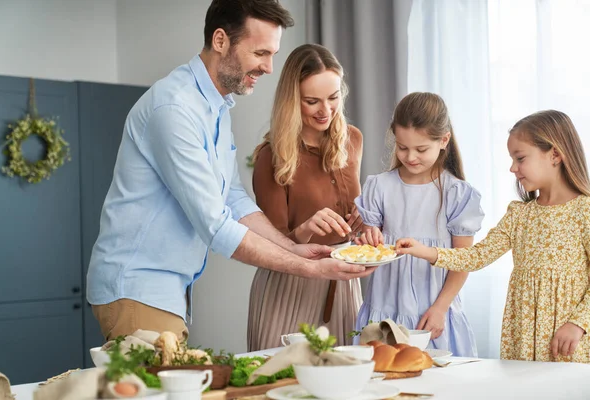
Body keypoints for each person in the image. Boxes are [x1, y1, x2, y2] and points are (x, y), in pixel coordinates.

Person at [86, 0, 375, 342]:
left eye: (272, 55)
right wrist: (308, 267)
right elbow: (215, 225)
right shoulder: (175, 109)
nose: (269, 67)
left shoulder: (216, 107)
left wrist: (290, 248)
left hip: (165, 290)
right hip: (137, 287)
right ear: (221, 40)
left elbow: (234, 199)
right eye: (260, 53)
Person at [395, 110, 590, 363]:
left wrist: (578, 323)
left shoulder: (584, 212)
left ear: (554, 154)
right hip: (523, 336)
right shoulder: (520, 214)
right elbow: (477, 256)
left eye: (520, 158)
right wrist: (423, 250)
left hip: (568, 340)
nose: (512, 168)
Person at [247, 44, 365, 350]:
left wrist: (365, 221)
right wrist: (307, 229)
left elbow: (356, 216)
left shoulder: (352, 140)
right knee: (279, 389)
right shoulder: (271, 157)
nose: (325, 111)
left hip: (342, 285)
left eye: (334, 98)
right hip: (290, 287)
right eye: (312, 101)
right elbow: (269, 245)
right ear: (292, 101)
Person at [354, 92, 483, 357]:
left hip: (433, 314)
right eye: (402, 147)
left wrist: (440, 309)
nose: (410, 156)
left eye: (421, 149)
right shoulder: (379, 186)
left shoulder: (456, 193)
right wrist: (368, 237)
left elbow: (463, 260)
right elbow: (368, 242)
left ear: (443, 140)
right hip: (384, 310)